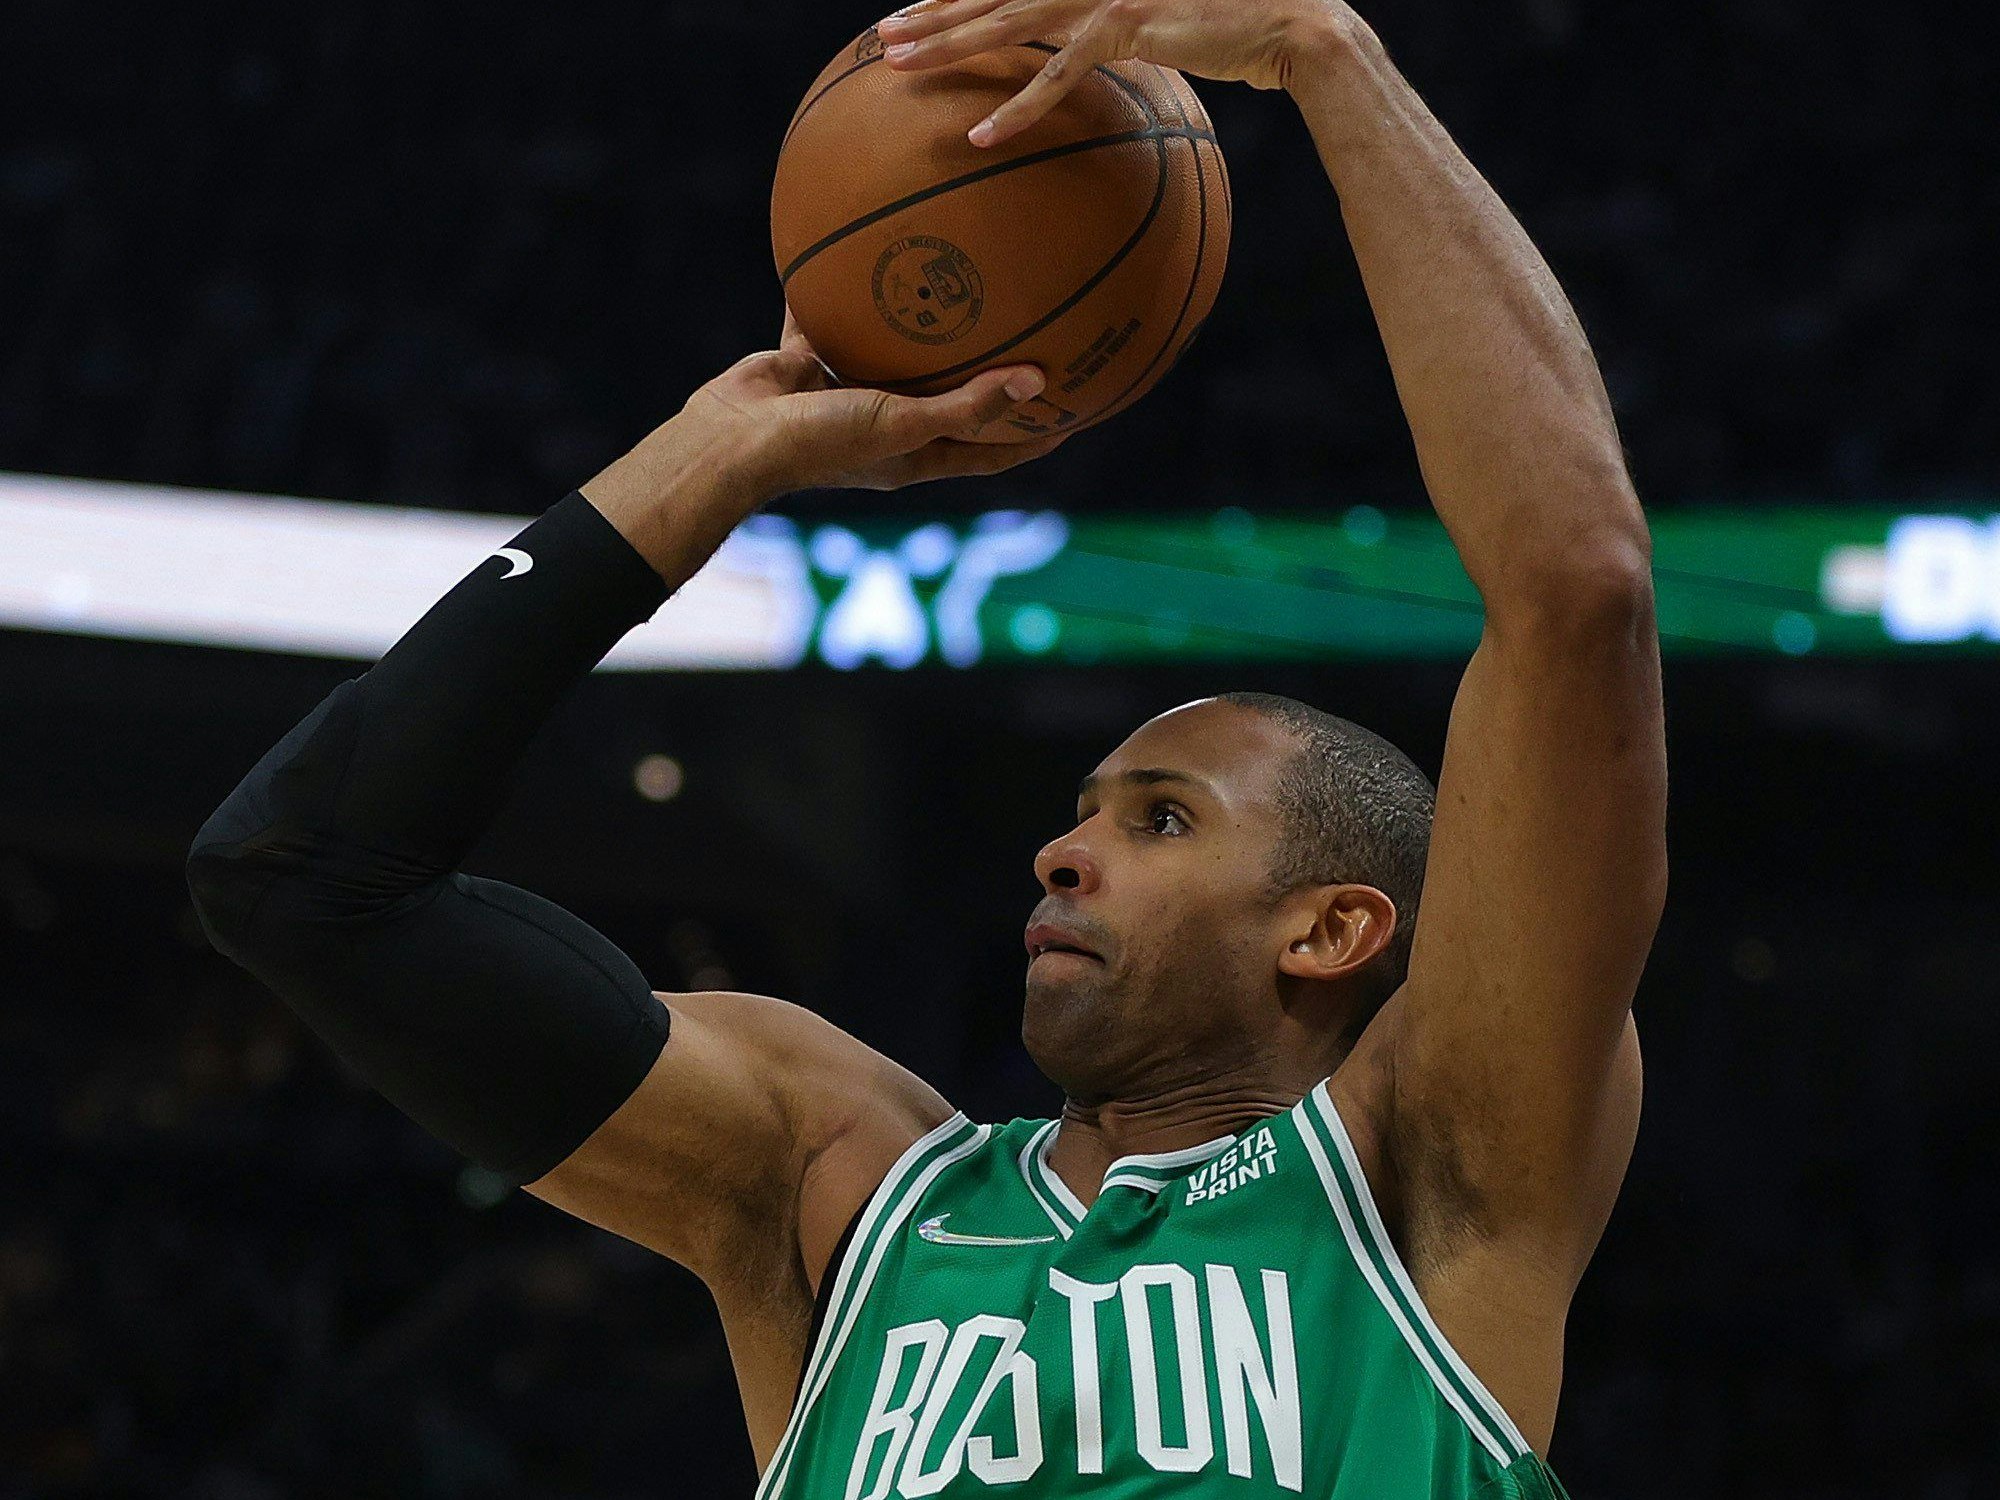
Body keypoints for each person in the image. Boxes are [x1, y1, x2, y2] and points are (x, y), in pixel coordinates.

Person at [186, 0, 1665, 1493]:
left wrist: (1322, 54)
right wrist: (722, 455)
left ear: (1336, 928)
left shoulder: (1435, 1169)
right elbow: (299, 877)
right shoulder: (835, 1178)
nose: (1062, 851)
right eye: (1084, 812)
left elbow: (1578, 591)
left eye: (1161, 820)